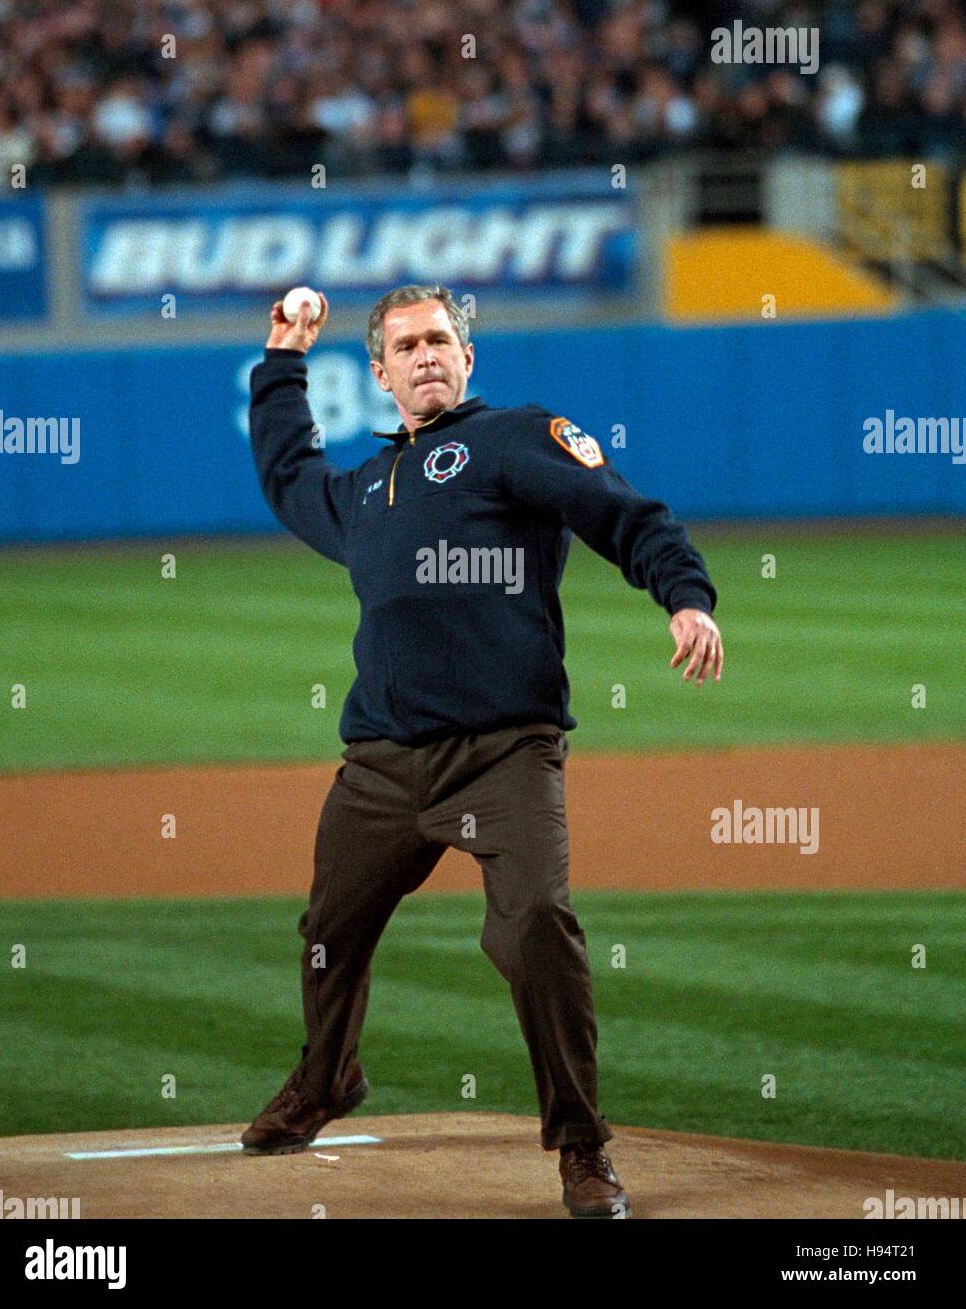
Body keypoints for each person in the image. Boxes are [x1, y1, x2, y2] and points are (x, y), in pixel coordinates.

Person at [241, 284, 723, 1218]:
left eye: (439, 341)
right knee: (326, 939)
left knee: (537, 925)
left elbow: (626, 514)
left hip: (503, 754)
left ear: (467, 359)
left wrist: (685, 594)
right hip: (380, 765)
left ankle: (581, 1145)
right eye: (405, 346)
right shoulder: (366, 492)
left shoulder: (511, 440)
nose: (425, 355)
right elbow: (289, 477)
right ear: (376, 373)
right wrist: (283, 363)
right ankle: (325, 1079)